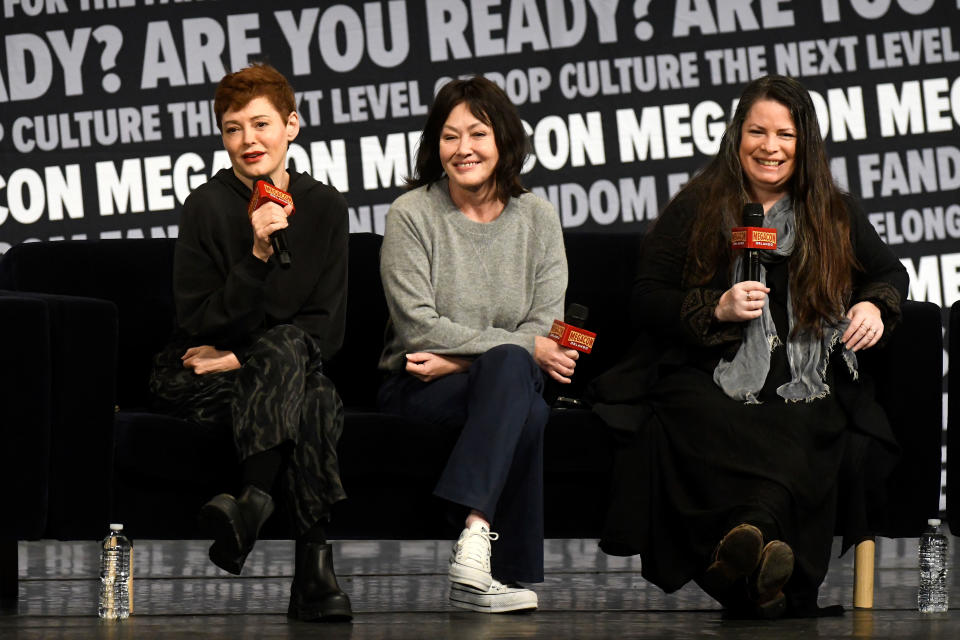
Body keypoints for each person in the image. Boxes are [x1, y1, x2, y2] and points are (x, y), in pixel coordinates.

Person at [589, 74, 908, 619]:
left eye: (784, 134)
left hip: (803, 381)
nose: (770, 146)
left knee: (798, 420)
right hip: (710, 374)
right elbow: (645, 298)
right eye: (757, 131)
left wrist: (873, 305)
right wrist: (715, 308)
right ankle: (764, 571)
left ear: (803, 143)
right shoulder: (699, 205)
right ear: (737, 136)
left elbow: (888, 273)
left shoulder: (834, 212)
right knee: (697, 414)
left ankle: (748, 556)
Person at [148, 63, 352, 622]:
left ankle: (251, 505)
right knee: (313, 397)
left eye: (260, 124)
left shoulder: (328, 208)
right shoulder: (206, 206)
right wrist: (257, 257)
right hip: (201, 374)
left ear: (292, 126)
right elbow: (199, 321)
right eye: (232, 129)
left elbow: (326, 330)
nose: (247, 141)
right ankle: (314, 573)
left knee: (300, 369)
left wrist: (247, 354)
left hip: (256, 363)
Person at [376, 76, 577, 614]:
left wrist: (460, 359)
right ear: (434, 146)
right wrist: (504, 353)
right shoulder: (411, 214)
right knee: (524, 400)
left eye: (477, 133)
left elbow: (547, 325)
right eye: (449, 136)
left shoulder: (538, 217)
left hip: (470, 375)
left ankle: (473, 541)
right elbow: (418, 327)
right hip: (420, 385)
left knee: (514, 373)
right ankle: (491, 567)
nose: (463, 149)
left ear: (504, 140)